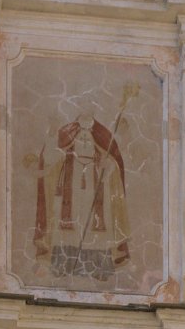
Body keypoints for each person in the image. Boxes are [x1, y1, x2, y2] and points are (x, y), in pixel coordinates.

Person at [32, 113, 129, 281]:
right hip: (69, 190)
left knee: (94, 228)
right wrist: (51, 136)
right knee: (67, 228)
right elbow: (50, 160)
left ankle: (98, 268)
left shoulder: (102, 138)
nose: (84, 141)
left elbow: (114, 163)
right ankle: (63, 266)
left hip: (96, 189)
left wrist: (109, 166)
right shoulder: (66, 138)